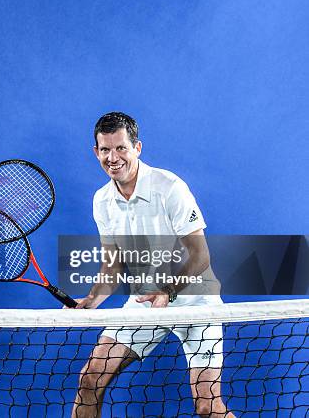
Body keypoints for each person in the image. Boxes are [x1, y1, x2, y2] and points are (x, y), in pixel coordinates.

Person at [71, 112, 234, 418]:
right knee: (89, 380)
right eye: (105, 150)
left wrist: (168, 290)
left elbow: (200, 255)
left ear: (137, 148)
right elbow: (113, 264)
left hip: (197, 301)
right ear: (96, 152)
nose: (113, 157)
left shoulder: (169, 186)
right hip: (146, 300)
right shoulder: (101, 200)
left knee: (208, 407)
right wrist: (91, 300)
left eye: (121, 148)